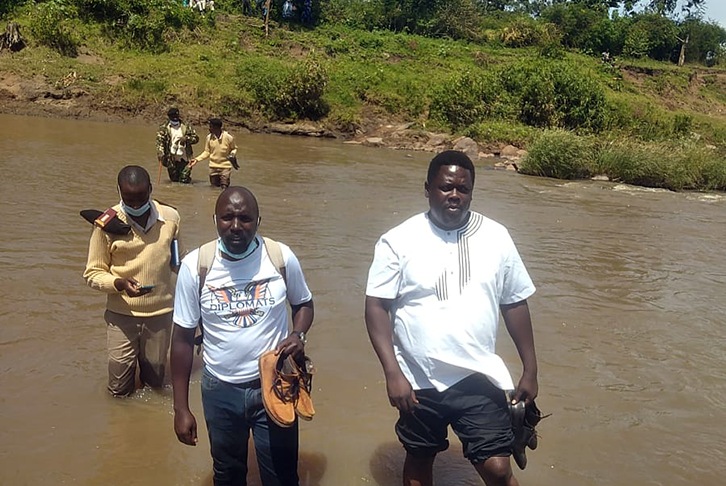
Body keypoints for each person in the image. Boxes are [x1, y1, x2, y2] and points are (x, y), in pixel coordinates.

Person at [364, 150, 538, 486]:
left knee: (498, 469)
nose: (455, 195)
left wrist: (530, 369)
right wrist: (392, 373)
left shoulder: (497, 237)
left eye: (463, 188)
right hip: (417, 377)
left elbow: (514, 302)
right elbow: (376, 307)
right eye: (446, 187)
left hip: (478, 374)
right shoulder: (398, 240)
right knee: (419, 455)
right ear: (427, 188)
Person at [171, 186, 314, 486]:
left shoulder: (280, 257)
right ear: (215, 220)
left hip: (274, 386)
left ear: (258, 221)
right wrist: (181, 409)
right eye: (227, 218)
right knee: (227, 473)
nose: (236, 226)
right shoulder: (196, 266)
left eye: (245, 218)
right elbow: (183, 340)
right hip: (219, 390)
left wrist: (298, 334)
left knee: (283, 475)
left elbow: (303, 304)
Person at [83, 165, 182, 397]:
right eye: (129, 200)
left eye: (141, 198)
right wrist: (119, 284)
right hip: (122, 316)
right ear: (119, 192)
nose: (136, 206)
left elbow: (179, 262)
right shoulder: (107, 225)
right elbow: (93, 273)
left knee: (155, 385)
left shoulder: (170, 219)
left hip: (160, 315)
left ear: (150, 189)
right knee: (119, 389)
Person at [188, 118, 239, 190]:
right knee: (214, 188)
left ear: (216, 127)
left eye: (211, 126)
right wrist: (196, 159)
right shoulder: (209, 138)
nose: (209, 128)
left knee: (224, 187)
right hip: (213, 167)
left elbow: (234, 148)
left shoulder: (228, 137)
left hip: (225, 167)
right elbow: (207, 152)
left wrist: (232, 155)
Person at [156, 107, 199, 184]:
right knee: (174, 180)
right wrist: (160, 153)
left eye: (177, 117)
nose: (175, 119)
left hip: (185, 158)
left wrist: (186, 139)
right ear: (169, 117)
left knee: (184, 179)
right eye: (173, 117)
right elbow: (160, 142)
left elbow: (196, 139)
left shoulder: (186, 126)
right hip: (171, 159)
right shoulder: (164, 128)